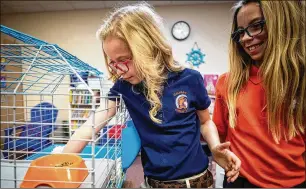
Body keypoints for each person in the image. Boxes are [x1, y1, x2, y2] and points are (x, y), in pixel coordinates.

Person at [63, 2, 241, 188]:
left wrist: (214, 147)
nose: (120, 70)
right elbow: (92, 123)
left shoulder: (189, 79)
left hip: (197, 180)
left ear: (148, 48)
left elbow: (205, 121)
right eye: (113, 63)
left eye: (124, 60)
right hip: (154, 182)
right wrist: (60, 164)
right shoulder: (123, 87)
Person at [213, 0, 306, 188]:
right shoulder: (227, 82)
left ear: (281, 23)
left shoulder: (299, 82)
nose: (245, 38)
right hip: (239, 182)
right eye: (240, 32)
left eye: (256, 26)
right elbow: (219, 135)